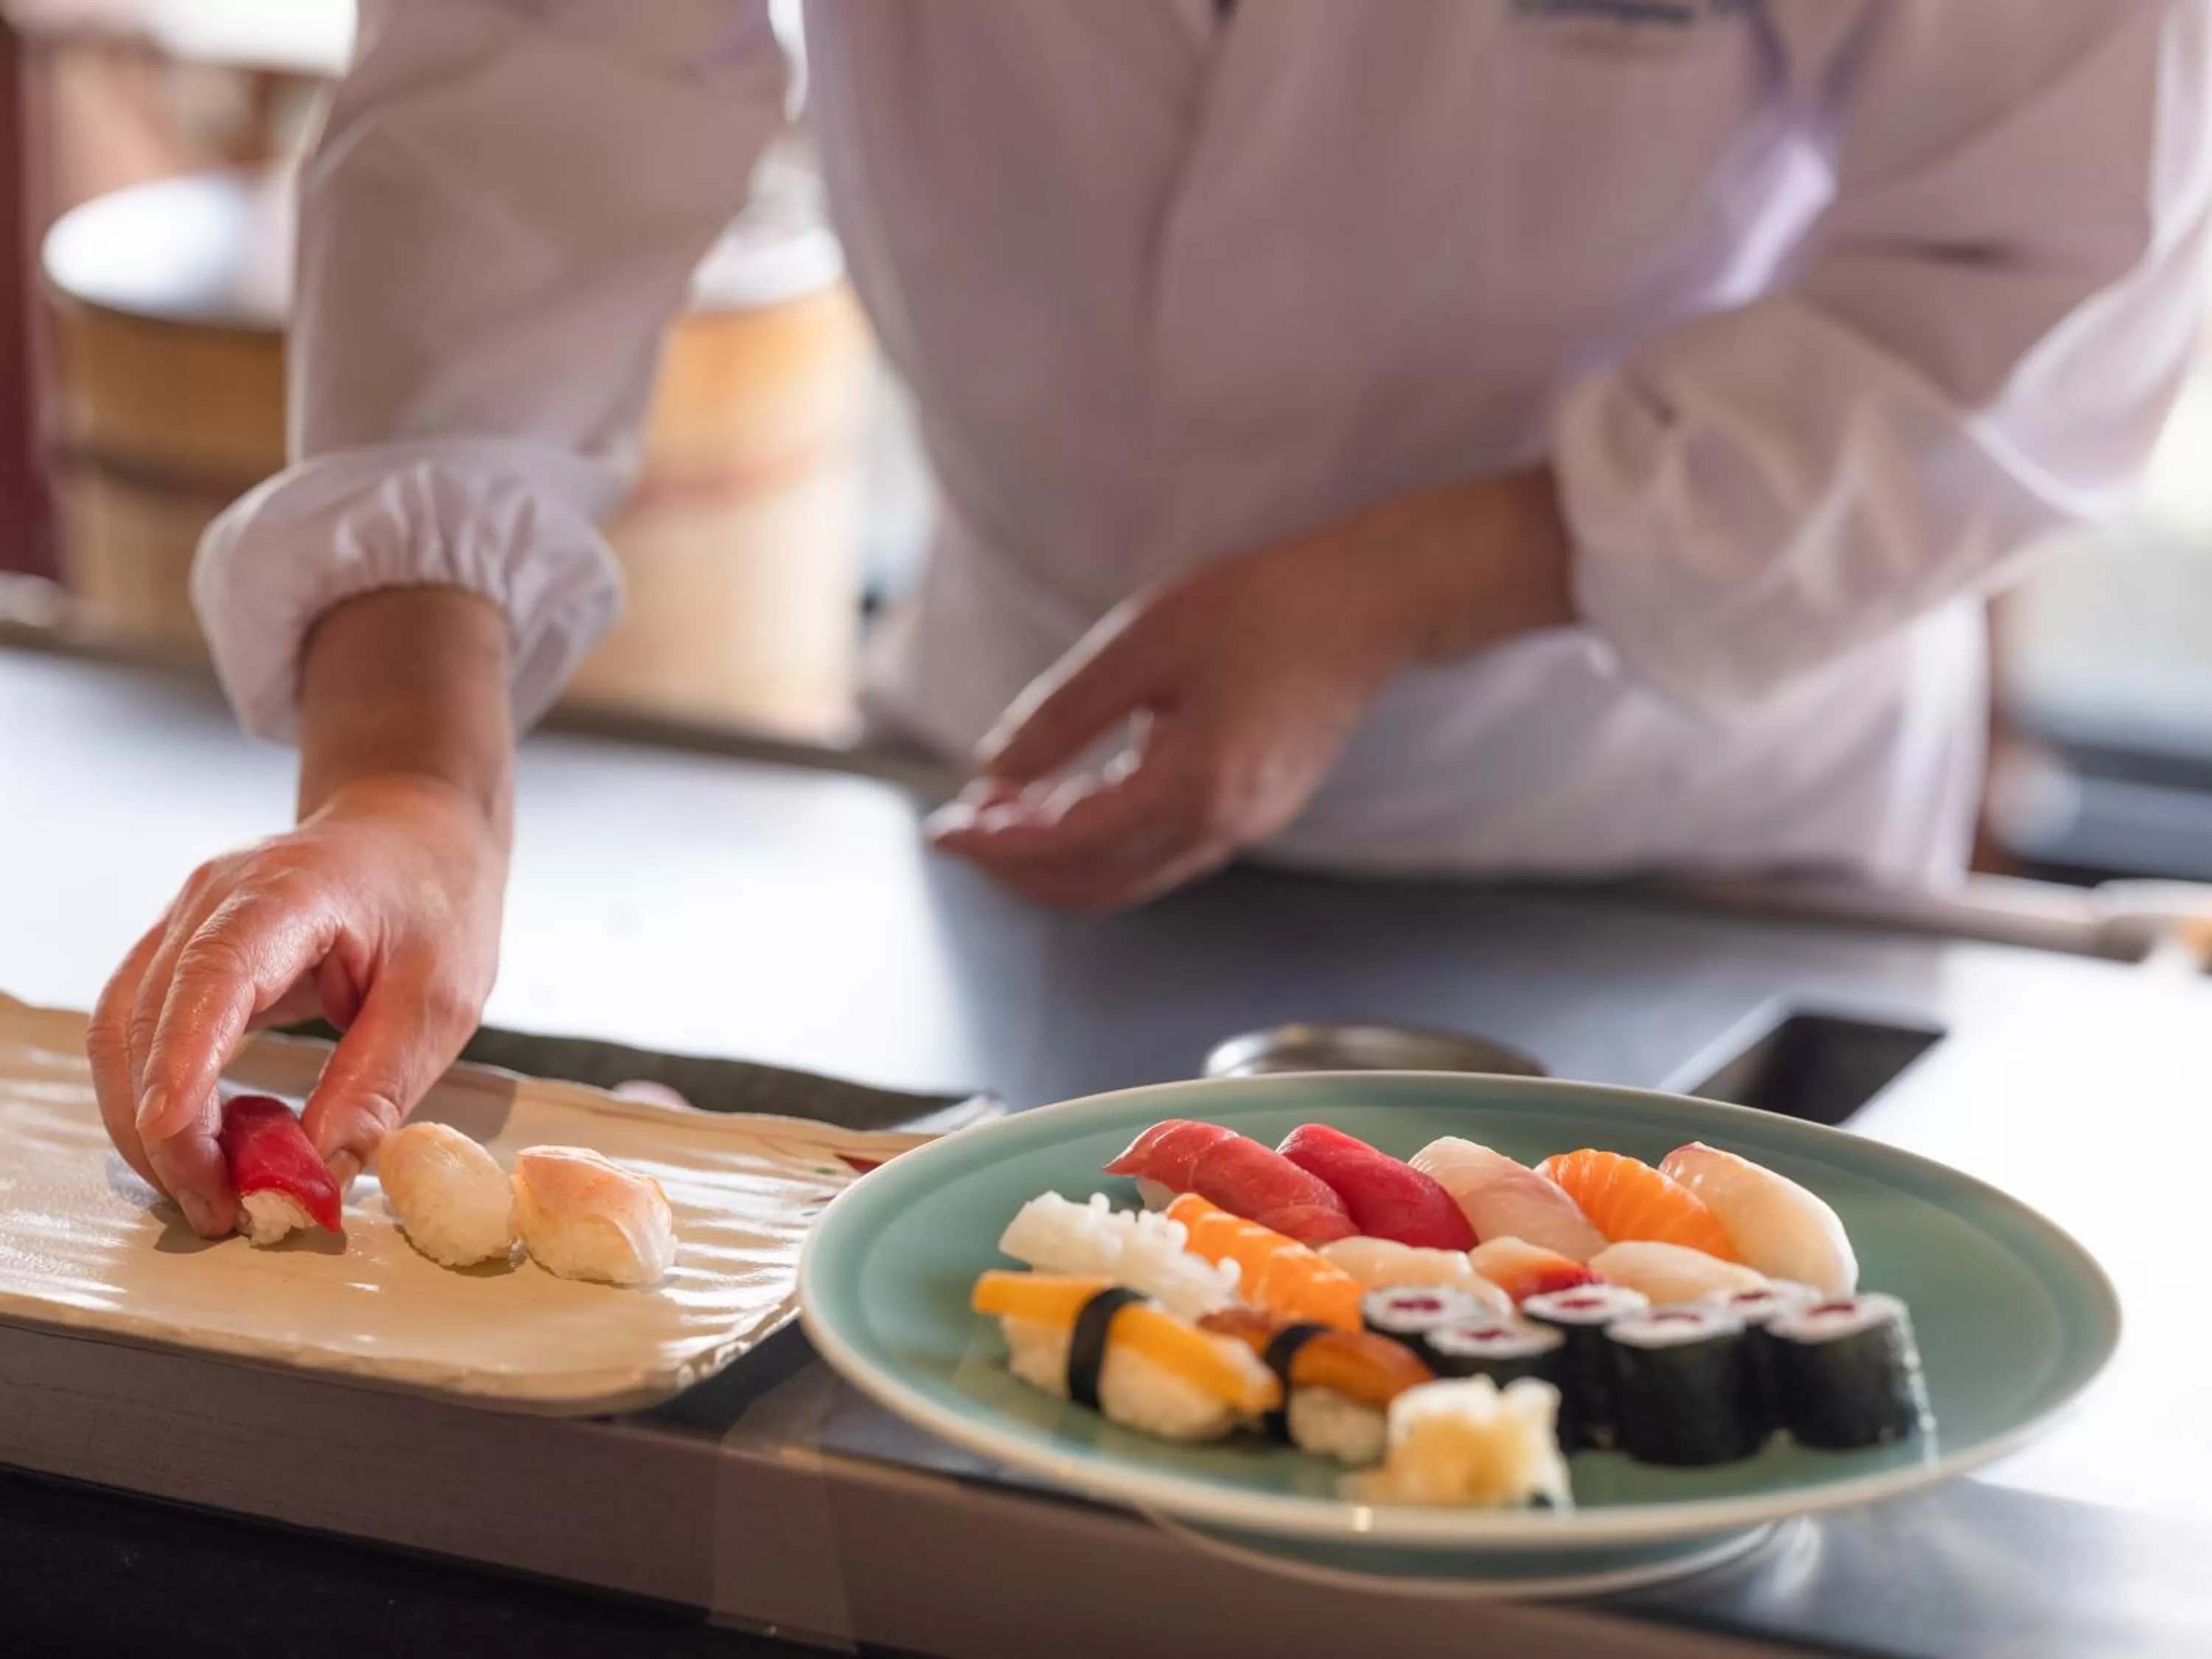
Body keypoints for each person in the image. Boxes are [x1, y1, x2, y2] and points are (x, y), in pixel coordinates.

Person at [92, 1, 2212, 1234]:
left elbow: (2046, 271)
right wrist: (405, 771)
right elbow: (529, 86)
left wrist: (1406, 578)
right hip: (1021, 796)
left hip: (1687, 802)